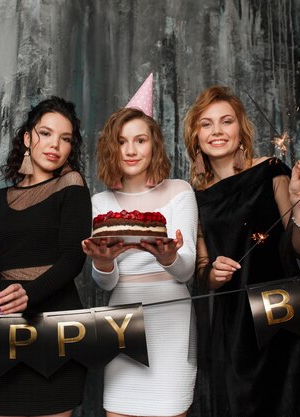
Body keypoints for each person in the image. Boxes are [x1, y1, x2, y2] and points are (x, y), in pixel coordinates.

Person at [183, 86, 300, 417]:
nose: (217, 131)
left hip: (286, 318)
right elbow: (202, 274)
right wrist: (212, 273)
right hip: (236, 335)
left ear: (240, 129)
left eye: (226, 121)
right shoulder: (194, 199)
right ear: (196, 137)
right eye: (206, 124)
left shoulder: (271, 171)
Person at [0, 96, 91, 417]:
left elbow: (73, 259)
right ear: (27, 138)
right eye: (46, 133)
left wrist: (29, 293)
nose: (55, 144)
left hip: (58, 327)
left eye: (65, 139)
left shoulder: (73, 185)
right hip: (7, 331)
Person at [81, 107, 198, 417]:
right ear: (111, 148)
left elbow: (186, 272)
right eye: (121, 141)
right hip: (121, 321)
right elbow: (107, 282)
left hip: (172, 318)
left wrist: (168, 257)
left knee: (171, 408)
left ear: (154, 144)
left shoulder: (180, 191)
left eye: (140, 140)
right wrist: (104, 264)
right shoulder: (99, 203)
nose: (131, 150)